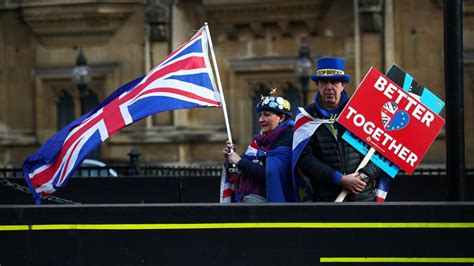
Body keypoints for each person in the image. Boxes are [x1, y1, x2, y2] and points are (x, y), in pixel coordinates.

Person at [292, 57, 379, 202]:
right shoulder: (306, 117)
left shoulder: (360, 112)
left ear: (343, 85)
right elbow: (304, 159)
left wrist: (363, 176)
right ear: (317, 85)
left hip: (363, 197)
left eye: (334, 82)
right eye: (324, 82)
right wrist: (339, 179)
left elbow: (380, 150)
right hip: (327, 199)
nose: (329, 87)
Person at [220, 91, 295, 203]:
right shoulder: (259, 142)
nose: (261, 119)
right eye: (260, 115)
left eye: (266, 115)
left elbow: (269, 175)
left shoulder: (289, 139)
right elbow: (244, 171)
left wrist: (240, 161)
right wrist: (231, 159)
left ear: (281, 117)